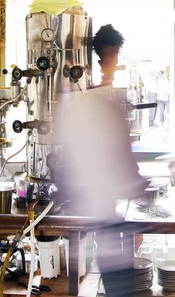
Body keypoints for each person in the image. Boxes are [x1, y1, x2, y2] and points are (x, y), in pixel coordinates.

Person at [55, 24, 147, 297]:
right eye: (113, 56)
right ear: (104, 57)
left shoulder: (82, 102)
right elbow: (121, 159)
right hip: (101, 209)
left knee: (98, 273)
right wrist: (138, 187)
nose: (114, 63)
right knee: (116, 278)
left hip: (89, 208)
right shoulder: (99, 103)